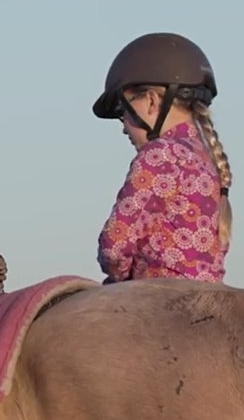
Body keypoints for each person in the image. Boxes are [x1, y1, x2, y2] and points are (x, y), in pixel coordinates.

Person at [92, 32, 233, 283]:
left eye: (122, 110)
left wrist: (121, 277)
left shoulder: (160, 154)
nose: (123, 125)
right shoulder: (206, 160)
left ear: (150, 101)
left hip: (159, 297)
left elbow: (114, 246)